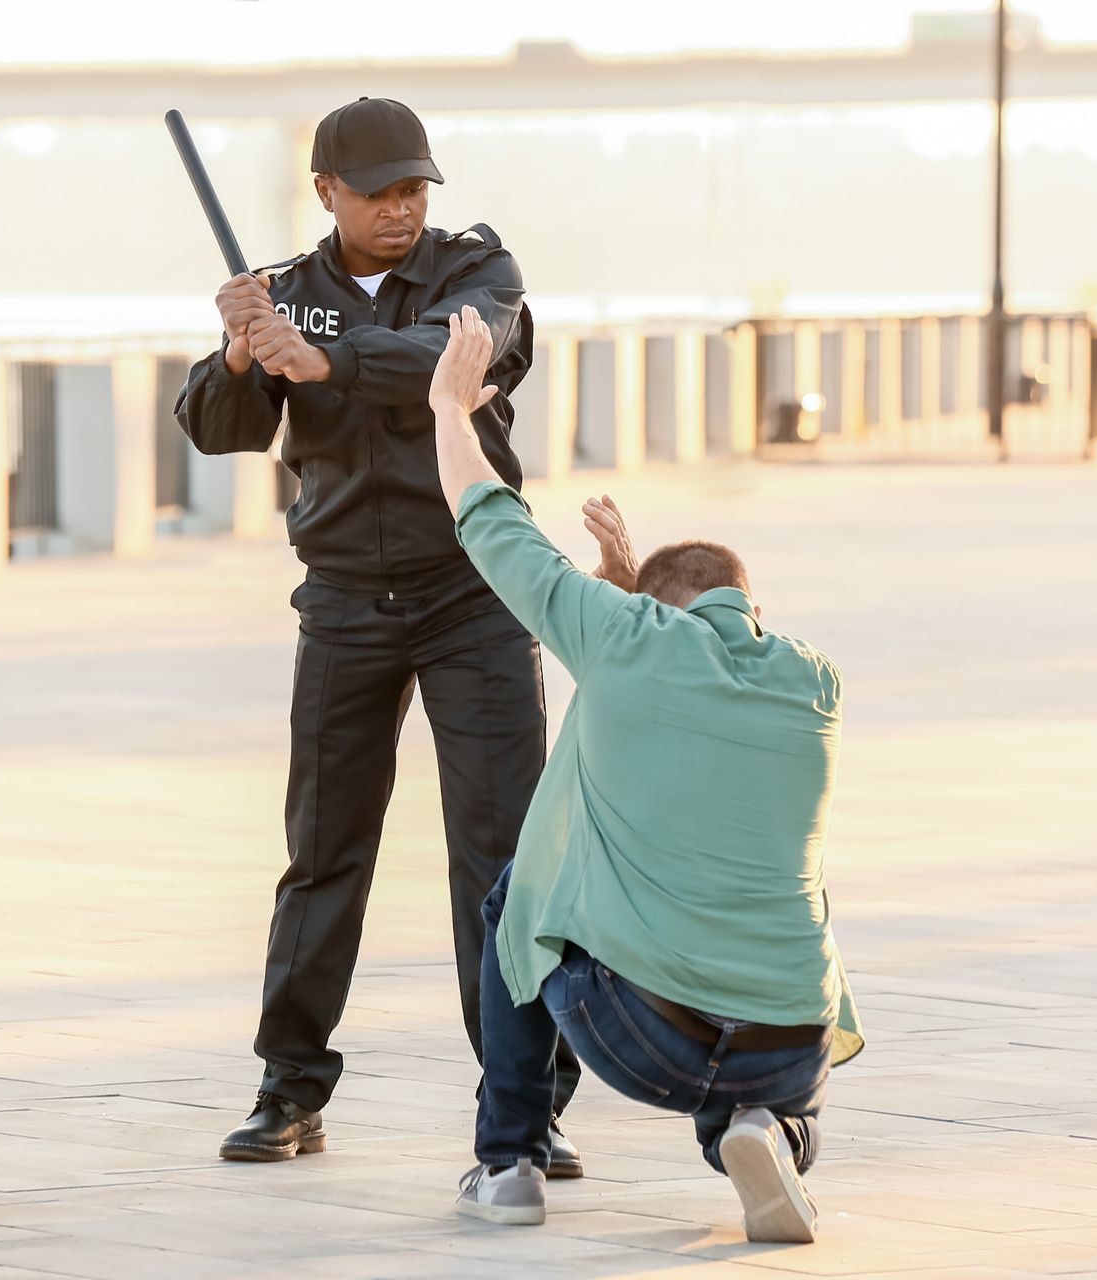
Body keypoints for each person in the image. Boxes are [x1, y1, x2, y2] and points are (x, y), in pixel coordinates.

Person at [174, 97, 581, 1171]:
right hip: (345, 603)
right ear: (327, 194)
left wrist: (325, 361)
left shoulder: (477, 271)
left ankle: (524, 1104)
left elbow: (462, 359)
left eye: (415, 188)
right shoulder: (281, 295)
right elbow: (219, 429)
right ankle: (288, 1089)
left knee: (502, 858)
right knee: (324, 852)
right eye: (380, 190)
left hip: (475, 593)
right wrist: (238, 351)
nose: (403, 208)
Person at [424, 307, 863, 1243]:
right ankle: (769, 1125)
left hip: (645, 1036)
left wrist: (448, 411)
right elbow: (685, 683)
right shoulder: (815, 683)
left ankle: (508, 1165)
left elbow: (491, 522)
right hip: (792, 1040)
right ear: (754, 605)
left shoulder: (625, 640)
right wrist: (628, 602)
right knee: (785, 911)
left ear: (648, 611)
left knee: (515, 898)